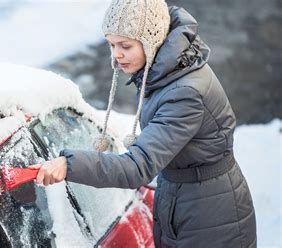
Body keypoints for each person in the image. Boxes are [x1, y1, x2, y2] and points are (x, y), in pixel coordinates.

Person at [29, 0, 257, 247]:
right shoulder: (164, 71)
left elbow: (138, 167)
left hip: (210, 215)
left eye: (125, 45)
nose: (116, 54)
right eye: (111, 44)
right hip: (184, 196)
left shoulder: (185, 92)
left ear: (152, 41)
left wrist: (70, 164)